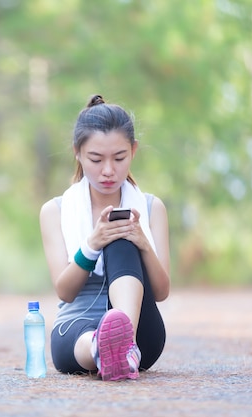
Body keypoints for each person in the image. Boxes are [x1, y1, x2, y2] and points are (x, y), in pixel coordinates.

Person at [39, 94, 170, 381]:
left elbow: (161, 292)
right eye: (96, 159)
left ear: (133, 151)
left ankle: (124, 345)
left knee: (121, 232)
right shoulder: (55, 211)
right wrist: (92, 243)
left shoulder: (150, 208)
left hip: (142, 335)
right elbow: (65, 292)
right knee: (110, 233)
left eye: (119, 158)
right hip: (78, 328)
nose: (108, 170)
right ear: (77, 152)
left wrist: (142, 243)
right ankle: (103, 348)